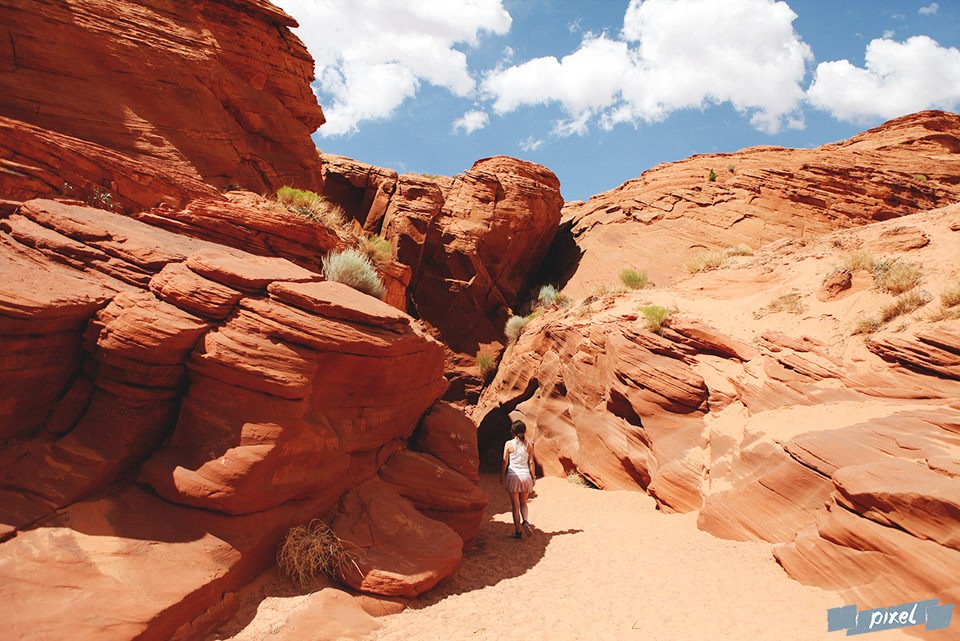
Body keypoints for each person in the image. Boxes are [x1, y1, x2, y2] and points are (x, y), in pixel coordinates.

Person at [501, 419, 536, 539]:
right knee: (523, 503)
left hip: (513, 476)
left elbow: (505, 461)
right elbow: (531, 462)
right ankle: (525, 521)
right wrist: (533, 477)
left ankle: (518, 532)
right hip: (526, 476)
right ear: (524, 431)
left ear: (513, 431)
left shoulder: (509, 444)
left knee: (515, 505)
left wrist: (502, 475)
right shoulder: (529, 444)